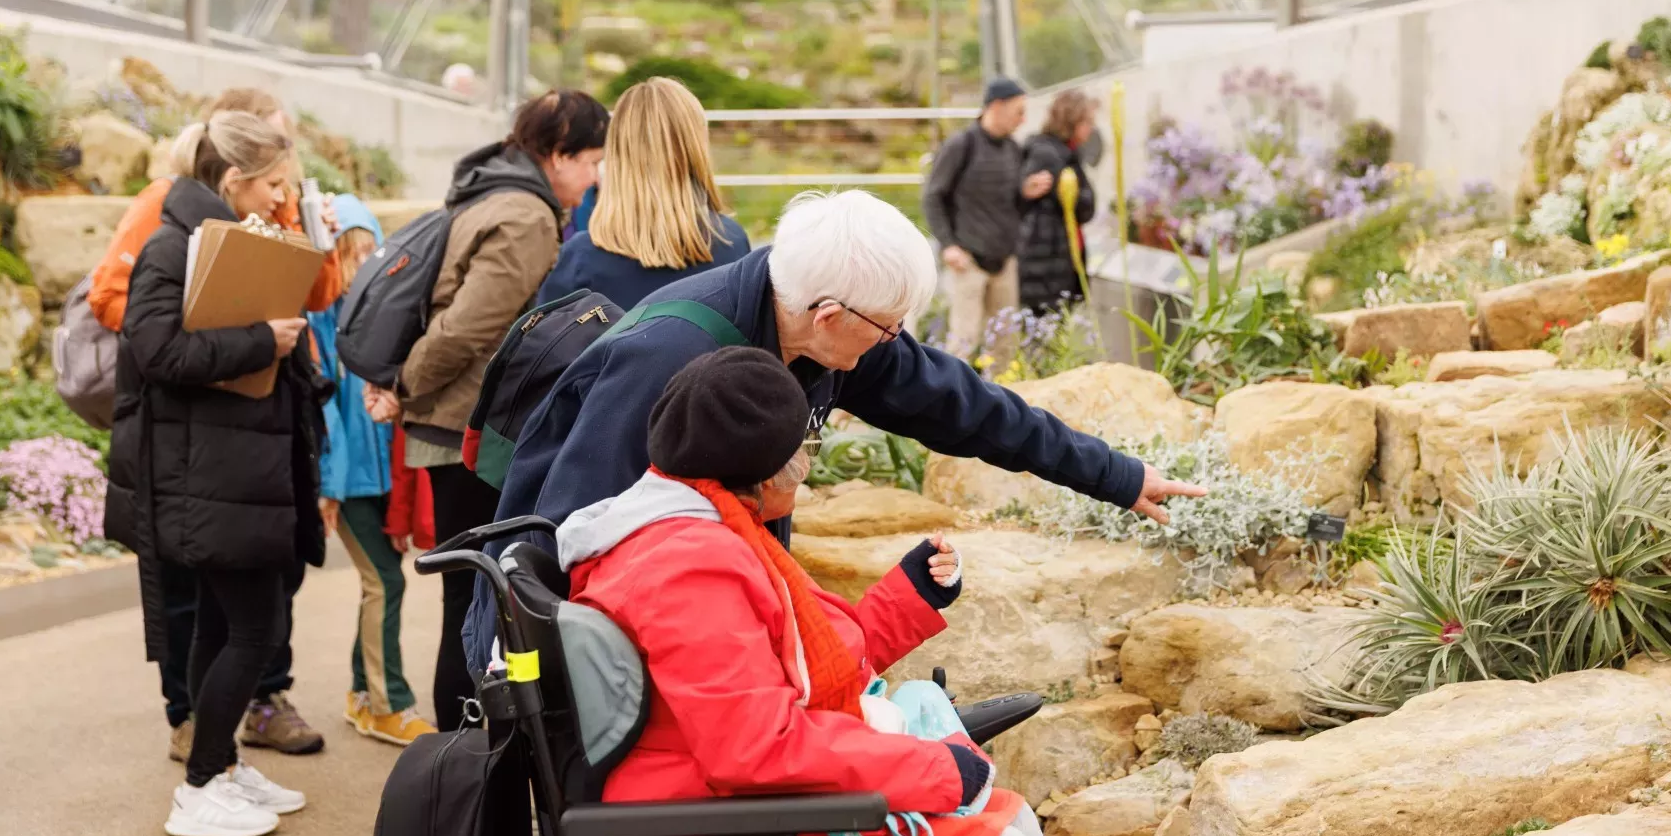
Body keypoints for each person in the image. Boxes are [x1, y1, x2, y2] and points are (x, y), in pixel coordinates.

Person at [476, 188, 1206, 668]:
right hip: (600, 637)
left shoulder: (830, 330)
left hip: (721, 611)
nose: (895, 344)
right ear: (830, 315)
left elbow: (967, 406)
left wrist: (1116, 475)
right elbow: (576, 533)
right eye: (889, 330)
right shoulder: (669, 360)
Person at [562, 347, 1088, 836]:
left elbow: (797, 671)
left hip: (726, 816)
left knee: (1008, 818)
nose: (807, 465)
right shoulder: (688, 567)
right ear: (761, 470)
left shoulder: (700, 526)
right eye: (804, 450)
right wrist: (935, 769)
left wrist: (908, 599)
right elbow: (756, 749)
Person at [90, 87, 338, 762]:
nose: (279, 199)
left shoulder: (238, 230)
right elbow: (156, 346)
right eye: (273, 185)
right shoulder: (175, 242)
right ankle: (205, 768)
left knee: (231, 622)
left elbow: (315, 295)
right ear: (234, 175)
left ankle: (218, 767)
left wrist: (314, 243)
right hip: (206, 464)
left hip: (243, 460)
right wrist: (259, 341)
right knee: (241, 625)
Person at [362, 89, 609, 730]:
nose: (594, 178)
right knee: (479, 602)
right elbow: (473, 326)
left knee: (466, 598)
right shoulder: (526, 216)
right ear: (557, 155)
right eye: (589, 160)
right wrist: (405, 387)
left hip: (455, 422)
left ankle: (461, 763)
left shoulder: (486, 194)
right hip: (471, 432)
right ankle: (466, 765)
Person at [307, 199, 436, 747]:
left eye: (367, 253)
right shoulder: (318, 322)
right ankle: (389, 703)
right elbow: (323, 411)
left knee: (381, 580)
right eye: (346, 255)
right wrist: (327, 488)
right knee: (383, 581)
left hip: (384, 475)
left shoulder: (383, 318)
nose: (358, 267)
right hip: (348, 480)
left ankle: (362, 694)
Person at [533, 76, 751, 311]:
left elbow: (541, 343)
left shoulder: (581, 260)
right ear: (696, 150)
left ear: (617, 152)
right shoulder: (734, 246)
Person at [921, 77, 1054, 356]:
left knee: (1005, 344)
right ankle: (948, 398)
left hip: (1004, 260)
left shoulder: (1012, 149)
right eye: (1018, 111)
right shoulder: (962, 145)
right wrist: (948, 245)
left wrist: (1027, 193)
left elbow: (1011, 205)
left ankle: (1001, 397)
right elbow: (933, 196)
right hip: (967, 260)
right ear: (996, 106)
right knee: (964, 341)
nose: (1022, 119)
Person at [1017, 91, 1099, 313]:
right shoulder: (1048, 155)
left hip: (1060, 261)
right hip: (1046, 266)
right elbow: (1083, 206)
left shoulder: (1068, 153)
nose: (1091, 128)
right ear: (1071, 120)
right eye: (1088, 121)